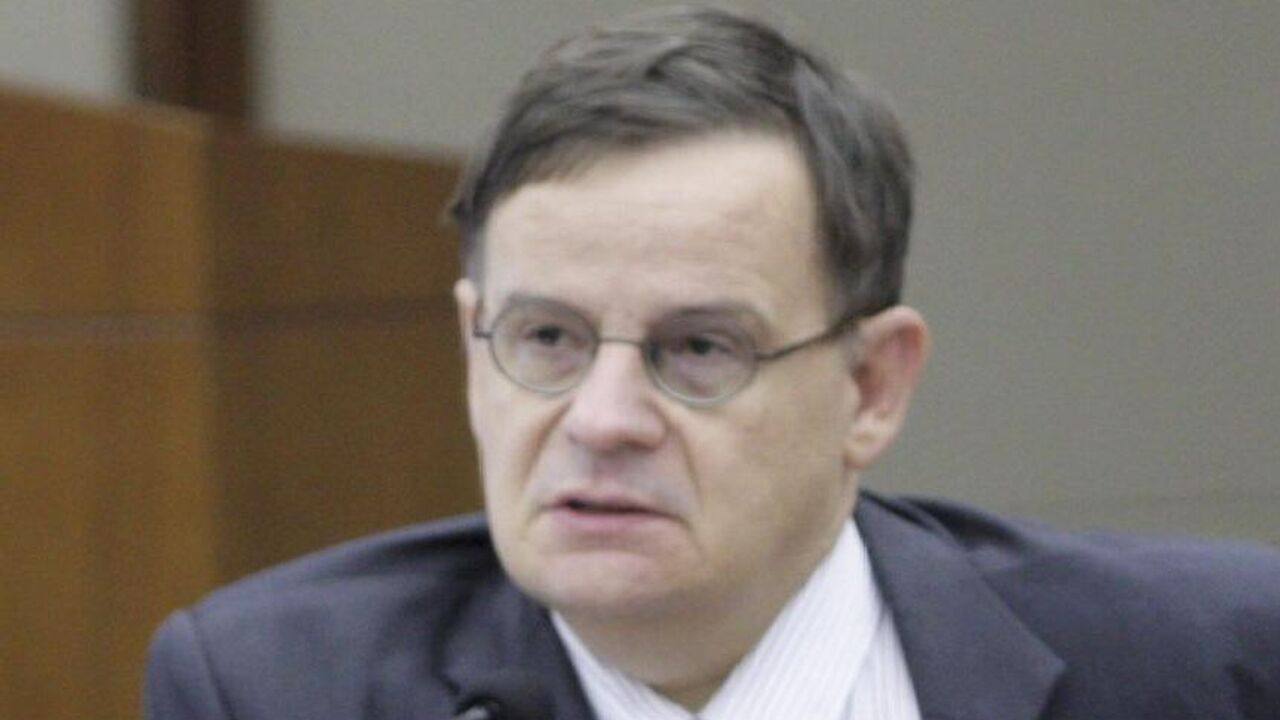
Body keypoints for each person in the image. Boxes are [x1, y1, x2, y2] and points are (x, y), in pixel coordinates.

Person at [145, 6, 1280, 719]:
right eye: (548, 340)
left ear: (872, 387)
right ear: (471, 349)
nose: (602, 419)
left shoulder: (1209, 665)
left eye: (697, 349)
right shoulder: (275, 689)